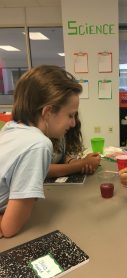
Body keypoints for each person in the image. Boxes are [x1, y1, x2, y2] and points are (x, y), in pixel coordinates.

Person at [0, 65, 82, 237]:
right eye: (70, 115)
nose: (74, 123)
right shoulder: (39, 143)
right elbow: (8, 229)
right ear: (48, 112)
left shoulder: (11, 127)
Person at [48, 112, 100, 177]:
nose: (74, 124)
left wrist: (81, 162)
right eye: (70, 116)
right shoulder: (39, 140)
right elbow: (44, 169)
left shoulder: (61, 136)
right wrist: (80, 165)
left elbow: (61, 156)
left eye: (74, 116)